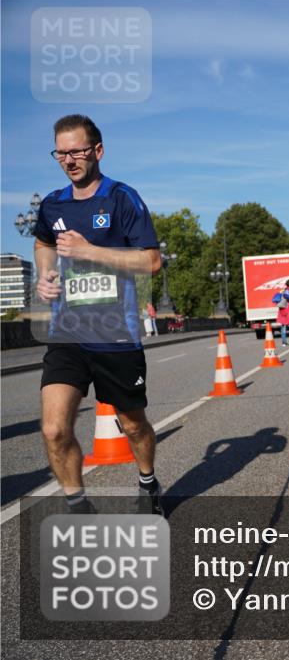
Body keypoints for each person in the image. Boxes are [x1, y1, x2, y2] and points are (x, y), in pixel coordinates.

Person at [34, 114, 163, 514]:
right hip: (67, 332)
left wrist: (89, 250)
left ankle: (147, 481)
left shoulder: (122, 198)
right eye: (61, 153)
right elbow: (42, 243)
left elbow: (152, 261)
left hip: (115, 334)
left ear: (98, 151)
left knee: (133, 425)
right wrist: (45, 276)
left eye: (77, 151)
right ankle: (79, 506)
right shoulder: (52, 204)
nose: (69, 160)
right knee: (54, 429)